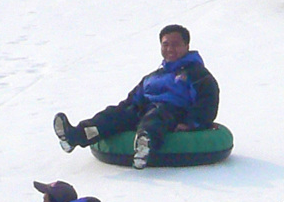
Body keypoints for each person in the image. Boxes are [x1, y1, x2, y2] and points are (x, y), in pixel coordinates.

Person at [53, 24, 219, 169]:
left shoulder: (196, 73)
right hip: (146, 110)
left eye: (175, 44)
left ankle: (146, 145)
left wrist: (192, 124)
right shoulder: (154, 76)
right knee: (117, 114)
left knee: (157, 116)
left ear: (186, 46)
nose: (170, 49)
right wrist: (119, 114)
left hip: (174, 113)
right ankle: (75, 136)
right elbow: (132, 99)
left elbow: (208, 100)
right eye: (165, 44)